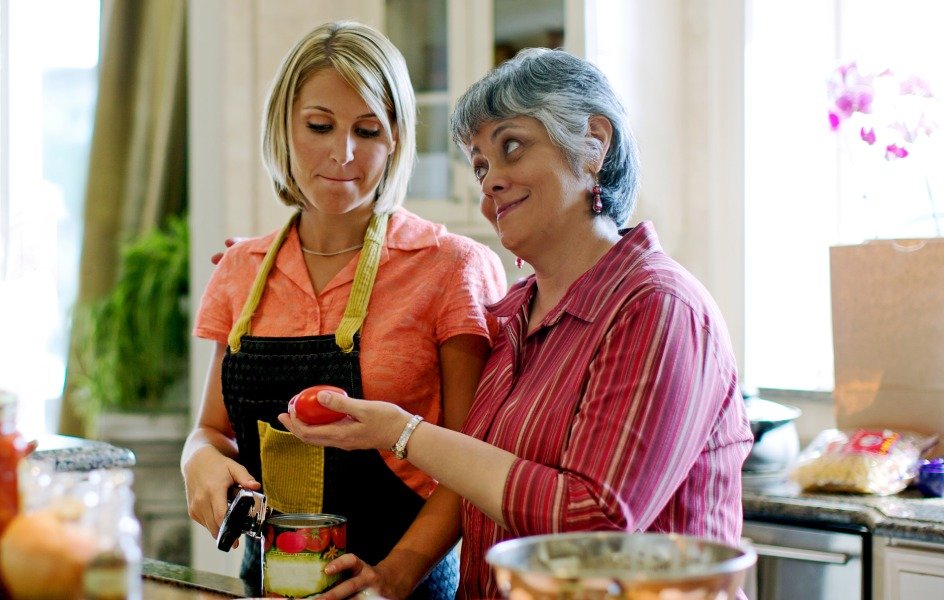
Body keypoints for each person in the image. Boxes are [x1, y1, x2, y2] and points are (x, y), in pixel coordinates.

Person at [280, 47, 753, 600]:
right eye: (480, 166)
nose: (490, 182)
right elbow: (478, 490)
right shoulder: (511, 319)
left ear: (594, 143)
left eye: (512, 147)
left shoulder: (659, 308)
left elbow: (592, 524)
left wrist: (400, 432)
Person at [179, 21, 506, 598]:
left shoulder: (450, 267)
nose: (343, 153)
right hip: (269, 580)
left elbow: (471, 463)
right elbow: (211, 431)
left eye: (368, 130)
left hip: (406, 584)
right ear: (283, 126)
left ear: (397, 139)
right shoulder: (241, 271)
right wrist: (196, 460)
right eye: (319, 126)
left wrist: (393, 577)